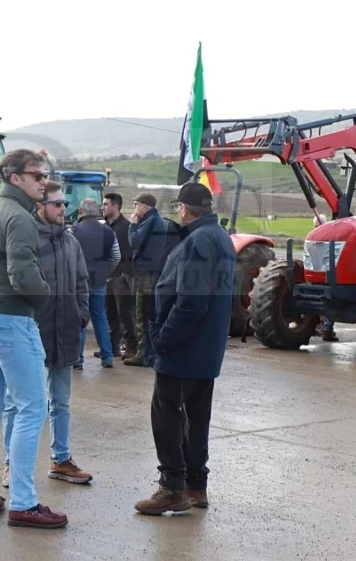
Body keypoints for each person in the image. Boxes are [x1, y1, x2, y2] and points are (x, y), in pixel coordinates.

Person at [0, 149, 66, 529]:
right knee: (32, 408)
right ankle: (24, 502)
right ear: (14, 177)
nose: (43, 181)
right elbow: (24, 277)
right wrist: (46, 295)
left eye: (44, 175)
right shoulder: (19, 217)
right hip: (8, 317)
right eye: (37, 175)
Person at [134, 183, 235, 515]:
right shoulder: (218, 236)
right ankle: (195, 485)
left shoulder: (197, 241)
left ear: (185, 209)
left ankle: (172, 487)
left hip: (183, 348)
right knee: (196, 417)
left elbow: (191, 303)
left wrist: (162, 339)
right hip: (206, 349)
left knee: (166, 417)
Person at [1, 180, 92, 487]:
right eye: (57, 204)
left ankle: (61, 459)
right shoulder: (25, 237)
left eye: (65, 204)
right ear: (39, 206)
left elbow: (82, 281)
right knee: (17, 402)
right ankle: (11, 464)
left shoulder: (70, 241)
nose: (64, 209)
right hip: (30, 330)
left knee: (61, 401)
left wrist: (81, 313)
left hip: (66, 329)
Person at [72, 197, 119, 369]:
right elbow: (116, 256)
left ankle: (78, 359)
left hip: (78, 282)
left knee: (80, 319)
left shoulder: (73, 231)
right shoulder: (108, 231)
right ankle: (107, 356)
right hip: (99, 281)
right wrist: (105, 272)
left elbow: (68, 257)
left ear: (80, 211)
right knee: (100, 317)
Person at [126, 192, 167, 367]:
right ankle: (148, 353)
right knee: (150, 313)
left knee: (142, 313)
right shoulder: (159, 220)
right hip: (155, 271)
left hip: (146, 273)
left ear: (144, 206)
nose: (135, 208)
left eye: (136, 204)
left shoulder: (149, 222)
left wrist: (132, 225)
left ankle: (142, 354)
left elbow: (135, 242)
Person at [102, 193, 135, 361]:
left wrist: (123, 274)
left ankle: (131, 348)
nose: (103, 207)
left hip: (120, 278)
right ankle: (112, 347)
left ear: (115, 206)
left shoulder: (125, 227)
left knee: (125, 313)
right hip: (107, 277)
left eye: (106, 204)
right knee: (111, 314)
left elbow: (128, 252)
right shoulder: (106, 226)